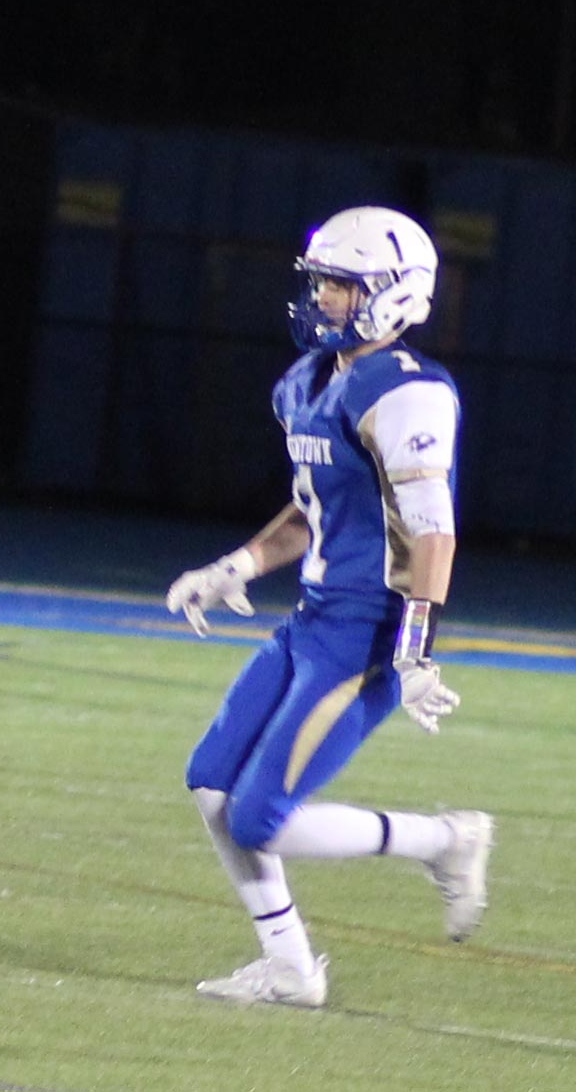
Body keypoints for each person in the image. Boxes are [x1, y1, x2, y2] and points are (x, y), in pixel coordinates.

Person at [167, 205, 491, 1009]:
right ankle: (290, 968)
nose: (324, 298)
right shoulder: (309, 382)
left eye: (343, 285)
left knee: (260, 818)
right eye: (321, 282)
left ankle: (444, 840)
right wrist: (236, 564)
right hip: (314, 617)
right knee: (212, 783)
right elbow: (314, 505)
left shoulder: (407, 392)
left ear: (395, 293)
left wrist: (415, 649)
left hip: (368, 634)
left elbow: (433, 533)